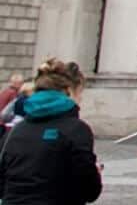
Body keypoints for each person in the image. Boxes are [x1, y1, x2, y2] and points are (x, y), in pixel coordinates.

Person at [0, 58, 102, 205]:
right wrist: (95, 173)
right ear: (69, 92)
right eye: (80, 94)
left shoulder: (15, 131)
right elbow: (90, 190)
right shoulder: (76, 130)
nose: (81, 100)